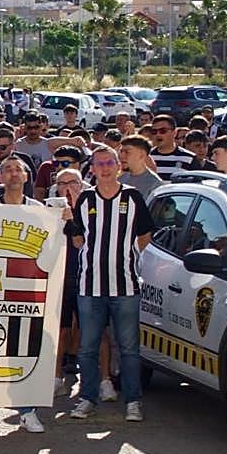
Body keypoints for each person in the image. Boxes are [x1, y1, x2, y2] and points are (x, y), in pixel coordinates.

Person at [0, 156, 53, 434]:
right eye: (7, 169)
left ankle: (27, 411)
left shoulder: (40, 211)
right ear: (0, 176)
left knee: (21, 351)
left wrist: (63, 220)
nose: (13, 174)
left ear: (27, 176)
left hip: (24, 290)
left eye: (19, 169)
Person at [67, 147, 154, 422]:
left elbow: (145, 235)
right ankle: (87, 397)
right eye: (99, 163)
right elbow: (77, 237)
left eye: (109, 163)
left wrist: (128, 257)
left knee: (128, 347)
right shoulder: (85, 199)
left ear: (119, 166)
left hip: (126, 284)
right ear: (92, 168)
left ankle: (133, 400)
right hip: (90, 284)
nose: (104, 168)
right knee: (88, 346)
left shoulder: (132, 197)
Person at [148, 115, 196, 180]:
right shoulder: (147, 157)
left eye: (163, 131)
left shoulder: (190, 158)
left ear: (174, 132)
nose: (158, 134)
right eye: (154, 132)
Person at [118, 135, 164, 199]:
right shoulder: (120, 179)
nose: (121, 156)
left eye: (127, 152)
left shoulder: (155, 184)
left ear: (142, 155)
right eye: (121, 151)